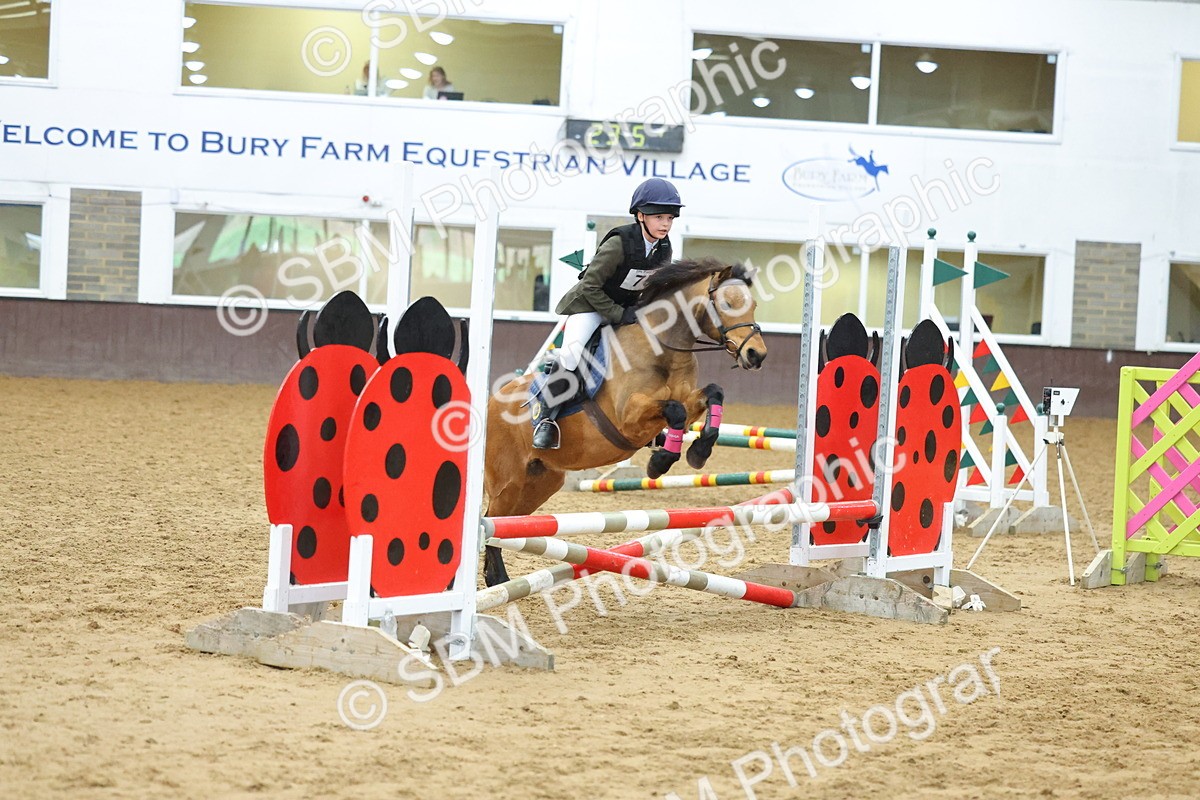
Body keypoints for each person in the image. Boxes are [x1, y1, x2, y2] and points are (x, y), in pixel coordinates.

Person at [531, 178, 683, 450]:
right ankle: (545, 418)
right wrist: (618, 313)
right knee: (572, 354)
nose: (665, 224)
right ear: (640, 216)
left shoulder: (663, 247)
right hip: (589, 306)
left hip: (623, 309)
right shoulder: (619, 243)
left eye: (669, 218)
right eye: (659, 217)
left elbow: (654, 287)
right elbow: (590, 286)